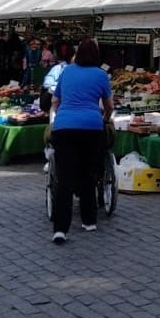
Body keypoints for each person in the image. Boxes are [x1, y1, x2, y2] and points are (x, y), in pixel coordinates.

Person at [49, 38, 113, 244]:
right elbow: (109, 105)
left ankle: (60, 229)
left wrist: (60, 115)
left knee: (65, 179)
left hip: (64, 128)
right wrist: (104, 118)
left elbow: (55, 100)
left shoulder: (67, 72)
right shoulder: (101, 75)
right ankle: (89, 221)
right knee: (88, 174)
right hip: (91, 128)